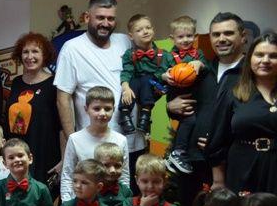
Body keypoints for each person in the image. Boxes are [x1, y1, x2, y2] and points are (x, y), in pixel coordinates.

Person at [167, 13, 246, 206]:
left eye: (228, 33)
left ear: (242, 37)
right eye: (216, 34)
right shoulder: (200, 70)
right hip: (193, 161)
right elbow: (175, 98)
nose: (222, 39)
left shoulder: (249, 72)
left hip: (231, 163)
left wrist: (220, 140)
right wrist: (171, 106)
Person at [54, 0, 146, 186]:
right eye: (100, 18)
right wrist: (73, 143)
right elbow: (63, 98)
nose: (106, 23)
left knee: (129, 198)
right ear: (87, 17)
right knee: (95, 199)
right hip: (93, 147)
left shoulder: (125, 41)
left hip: (132, 142)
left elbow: (150, 70)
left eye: (111, 18)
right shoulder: (72, 48)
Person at [206, 32, 277, 194]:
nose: (265, 60)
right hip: (242, 167)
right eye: (259, 55)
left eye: (273, 56)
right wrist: (218, 181)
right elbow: (217, 140)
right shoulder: (233, 92)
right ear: (250, 58)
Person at [5, 32, 63, 182]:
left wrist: (63, 159)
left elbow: (62, 126)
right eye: (25, 52)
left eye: (35, 51)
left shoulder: (55, 84)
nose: (30, 56)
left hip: (44, 155)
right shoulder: (17, 82)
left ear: (45, 55)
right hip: (17, 155)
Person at [60, 86, 130, 201]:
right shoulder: (75, 139)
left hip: (112, 202)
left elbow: (124, 177)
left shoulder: (121, 140)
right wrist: (67, 204)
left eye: (107, 109)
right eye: (97, 108)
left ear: (114, 109)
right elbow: (67, 175)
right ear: (86, 109)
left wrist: (123, 203)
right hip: (82, 203)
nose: (102, 113)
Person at [161, 16, 209, 175]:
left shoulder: (198, 54)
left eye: (189, 36)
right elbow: (159, 73)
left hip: (193, 94)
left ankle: (179, 154)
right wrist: (165, 76)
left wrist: (200, 64)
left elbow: (207, 69)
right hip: (177, 95)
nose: (185, 40)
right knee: (189, 120)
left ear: (195, 36)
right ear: (172, 38)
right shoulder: (168, 56)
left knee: (192, 121)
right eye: (180, 37)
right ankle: (178, 152)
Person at [118, 14, 164, 135]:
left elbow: (167, 71)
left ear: (153, 29)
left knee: (147, 79)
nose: (145, 31)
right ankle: (124, 113)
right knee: (132, 82)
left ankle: (146, 114)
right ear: (131, 36)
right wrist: (125, 87)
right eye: (139, 30)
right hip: (137, 86)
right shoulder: (129, 54)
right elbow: (127, 71)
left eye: (148, 28)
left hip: (153, 87)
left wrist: (162, 81)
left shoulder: (163, 54)